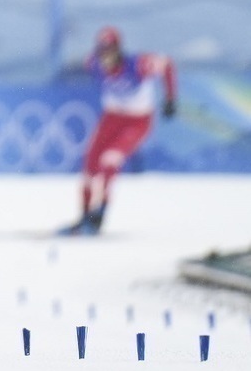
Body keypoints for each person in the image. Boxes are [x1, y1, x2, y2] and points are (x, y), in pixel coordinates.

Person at [59, 26, 178, 235]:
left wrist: (170, 98)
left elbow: (167, 65)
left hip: (138, 121)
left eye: (110, 50)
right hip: (112, 118)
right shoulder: (92, 63)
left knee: (110, 159)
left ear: (118, 49)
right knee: (90, 165)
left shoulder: (138, 65)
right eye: (102, 51)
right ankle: (84, 217)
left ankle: (100, 214)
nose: (106, 56)